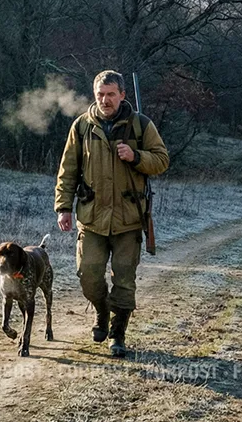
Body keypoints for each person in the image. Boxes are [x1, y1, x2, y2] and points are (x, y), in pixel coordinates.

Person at [54, 70, 169, 357]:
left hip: (128, 219)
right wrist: (64, 207)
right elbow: (67, 171)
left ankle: (117, 334)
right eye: (100, 95)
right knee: (88, 276)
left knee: (124, 281)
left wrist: (137, 157)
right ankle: (101, 312)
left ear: (122, 95)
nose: (105, 100)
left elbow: (162, 160)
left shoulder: (141, 126)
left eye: (110, 95)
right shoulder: (82, 127)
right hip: (92, 218)